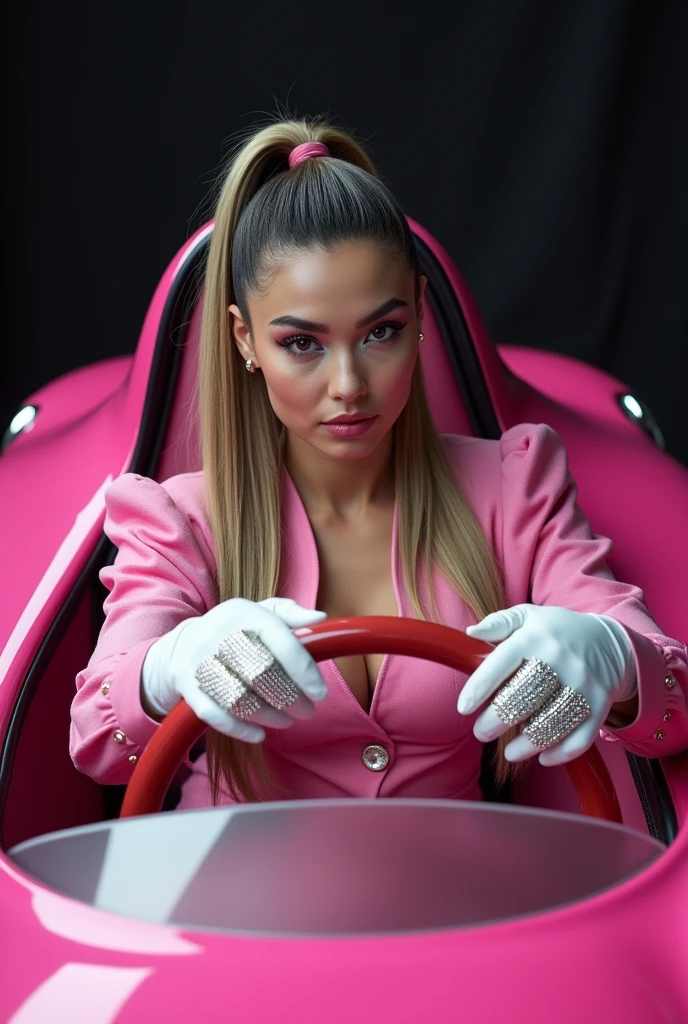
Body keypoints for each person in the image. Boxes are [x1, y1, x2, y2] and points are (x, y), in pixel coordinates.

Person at [70, 116, 688, 808]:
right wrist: (167, 668)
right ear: (245, 340)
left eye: (381, 333)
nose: (348, 385)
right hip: (232, 901)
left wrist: (614, 656)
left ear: (421, 313)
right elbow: (95, 741)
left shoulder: (514, 486)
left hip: (459, 898)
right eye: (302, 343)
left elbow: (676, 707)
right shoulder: (179, 519)